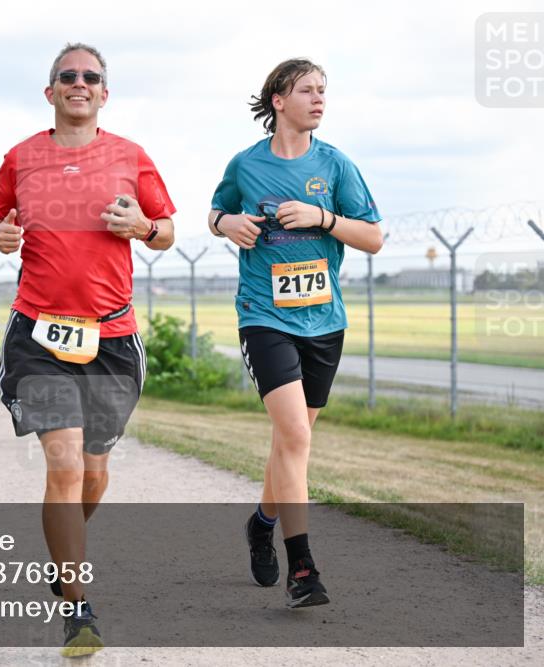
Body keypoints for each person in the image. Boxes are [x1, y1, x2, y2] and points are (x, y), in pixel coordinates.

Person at [0, 43, 175, 656]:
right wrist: (2, 235)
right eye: (67, 76)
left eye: (90, 77)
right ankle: (77, 605)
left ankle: (61, 558)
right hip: (39, 334)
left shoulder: (131, 156)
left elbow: (167, 231)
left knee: (93, 474)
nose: (79, 83)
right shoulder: (21, 157)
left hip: (113, 340)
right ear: (50, 92)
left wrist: (143, 229)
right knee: (64, 465)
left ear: (103, 92)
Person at [208, 58, 383, 609]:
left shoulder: (335, 167)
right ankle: (302, 568)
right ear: (278, 100)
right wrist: (224, 224)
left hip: (324, 321)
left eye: (324, 90)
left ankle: (262, 523)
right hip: (264, 316)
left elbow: (374, 238)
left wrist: (322, 218)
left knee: (291, 441)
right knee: (296, 439)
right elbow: (216, 210)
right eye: (307, 90)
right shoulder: (246, 163)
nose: (319, 98)